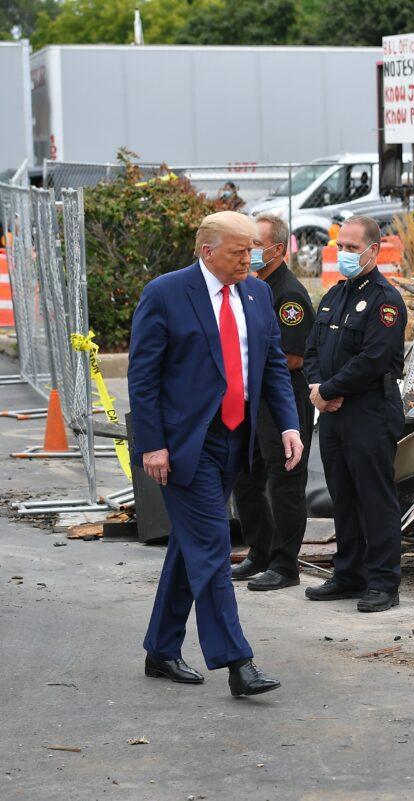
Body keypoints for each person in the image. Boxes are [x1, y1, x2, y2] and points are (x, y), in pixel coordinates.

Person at [128, 211, 303, 697]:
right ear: (208, 251)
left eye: (253, 250)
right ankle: (237, 661)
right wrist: (153, 444)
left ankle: (161, 648)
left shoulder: (258, 293)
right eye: (238, 251)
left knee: (190, 547)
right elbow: (142, 377)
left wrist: (288, 423)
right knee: (211, 547)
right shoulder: (165, 294)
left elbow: (270, 364)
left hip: (237, 439)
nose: (249, 258)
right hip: (187, 445)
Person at [303, 215, 406, 613]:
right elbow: (312, 350)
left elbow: (374, 358)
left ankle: (382, 582)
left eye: (351, 247)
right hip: (331, 414)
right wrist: (318, 390)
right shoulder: (334, 296)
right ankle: (349, 574)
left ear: (373, 250)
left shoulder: (384, 300)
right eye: (340, 247)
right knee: (342, 496)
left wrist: (329, 390)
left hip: (369, 412)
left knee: (374, 499)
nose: (344, 253)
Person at [231, 214, 315, 591]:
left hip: (283, 398)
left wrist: (245, 359)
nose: (249, 253)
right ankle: (260, 551)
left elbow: (293, 357)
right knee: (247, 479)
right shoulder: (249, 288)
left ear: (277, 250)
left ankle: (284, 565)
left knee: (284, 484)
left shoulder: (289, 295)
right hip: (252, 399)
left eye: (255, 246)